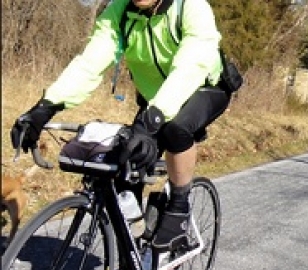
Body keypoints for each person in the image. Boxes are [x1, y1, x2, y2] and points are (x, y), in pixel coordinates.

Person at [10, 0, 231, 251]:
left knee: (174, 129)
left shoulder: (190, 6)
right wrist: (46, 106)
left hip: (204, 87)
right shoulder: (120, 11)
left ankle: (179, 206)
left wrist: (153, 119)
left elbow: (191, 66)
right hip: (154, 100)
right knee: (126, 160)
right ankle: (132, 254)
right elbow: (90, 63)